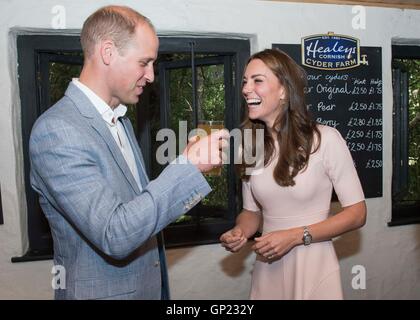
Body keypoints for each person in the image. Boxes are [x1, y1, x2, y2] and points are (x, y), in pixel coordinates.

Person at [29, 5, 228, 300]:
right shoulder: (57, 131)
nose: (150, 76)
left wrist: (181, 164)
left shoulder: (119, 119)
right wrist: (188, 167)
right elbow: (115, 234)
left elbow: (136, 211)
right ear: (108, 52)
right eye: (144, 63)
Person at [220, 49, 366, 300]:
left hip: (314, 264)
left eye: (257, 80)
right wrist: (240, 232)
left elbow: (357, 213)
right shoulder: (250, 145)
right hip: (268, 266)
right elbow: (251, 212)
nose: (246, 89)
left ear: (284, 91)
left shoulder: (326, 139)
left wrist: (296, 236)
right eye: (245, 81)